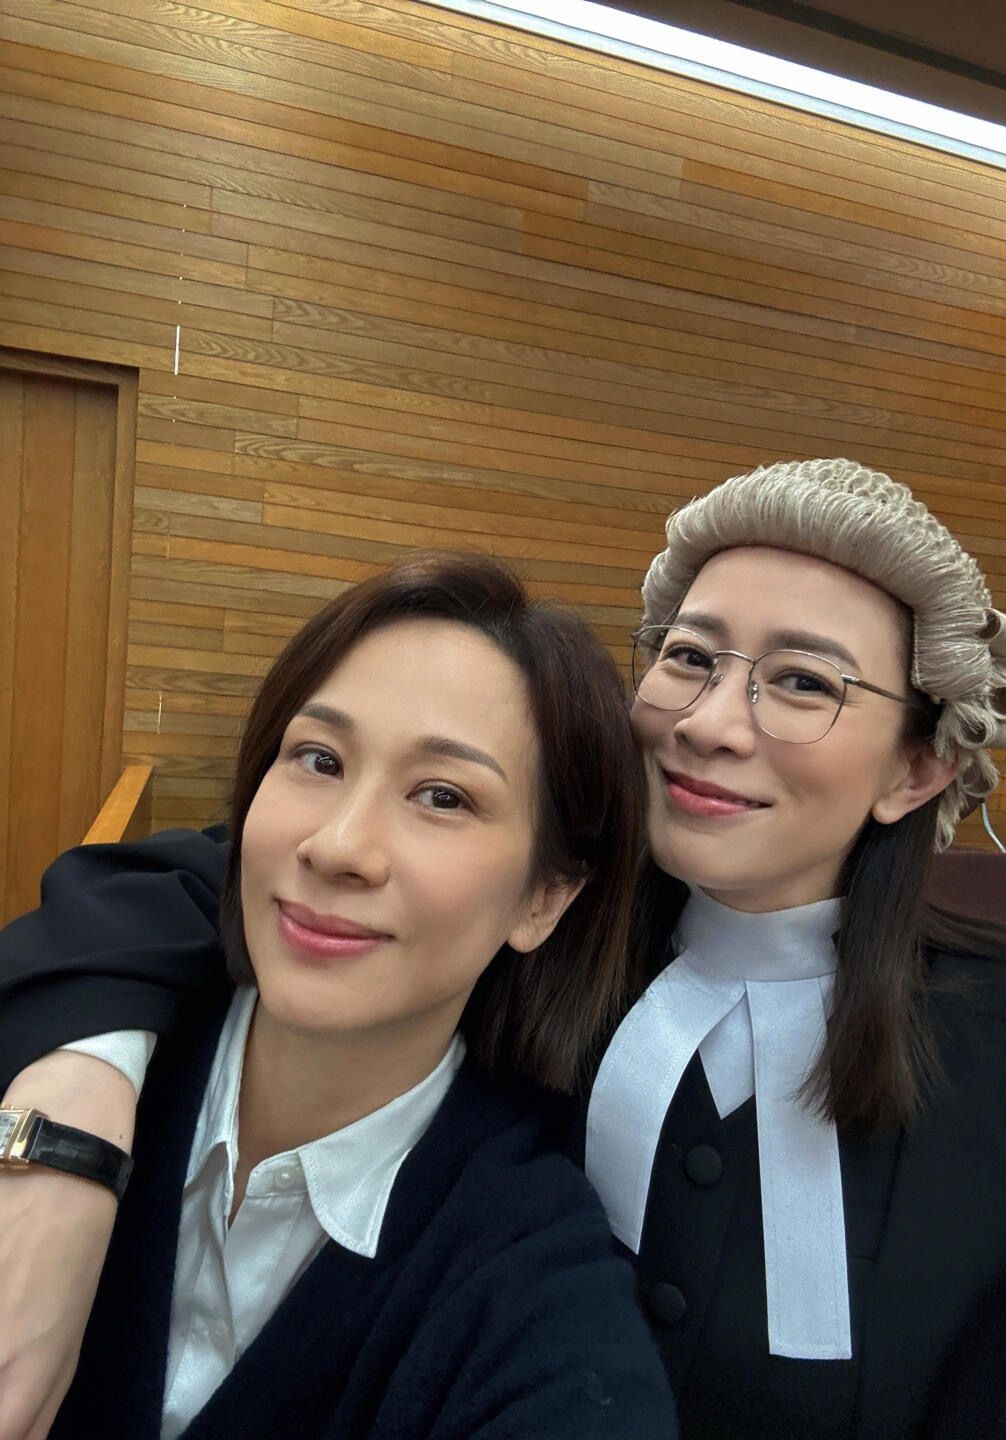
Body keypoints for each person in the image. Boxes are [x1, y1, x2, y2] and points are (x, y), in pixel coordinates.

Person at [2, 458, 1006, 1440]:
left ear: (918, 770)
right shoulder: (514, 930)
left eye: (805, 681)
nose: (709, 722)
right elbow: (193, 879)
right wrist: (71, 1117)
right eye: (689, 658)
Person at [0, 553, 679, 1440]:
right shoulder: (65, 1034)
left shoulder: (532, 1282)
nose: (338, 846)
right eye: (318, 758)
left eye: (443, 796)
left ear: (544, 899)